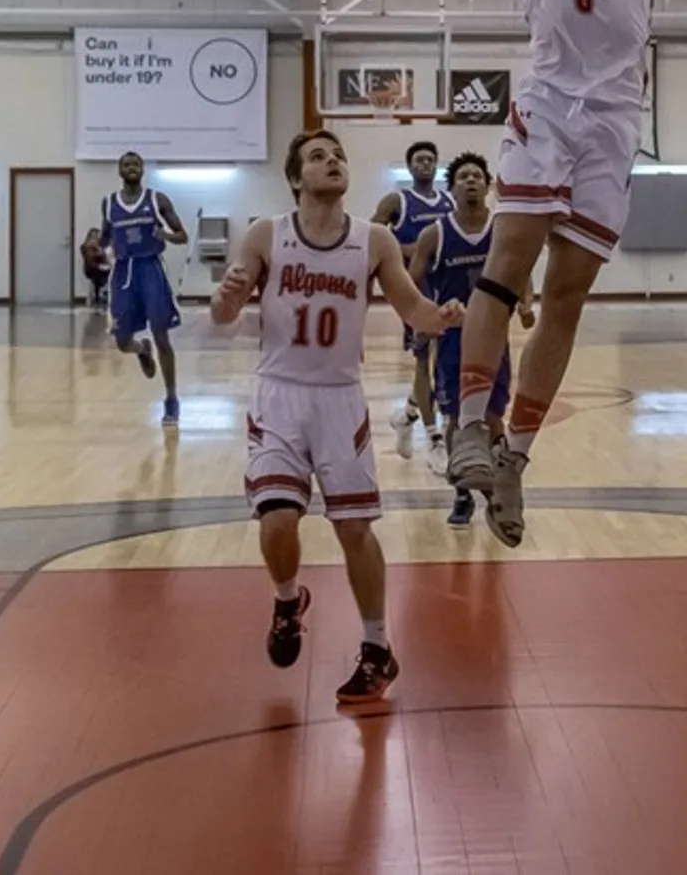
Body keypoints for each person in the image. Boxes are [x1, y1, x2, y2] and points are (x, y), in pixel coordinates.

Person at [444, 0, 661, 547]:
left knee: (566, 295)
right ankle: (472, 423)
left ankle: (516, 459)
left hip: (613, 122)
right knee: (508, 264)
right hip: (546, 104)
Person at [210, 130, 460, 703]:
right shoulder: (266, 234)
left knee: (353, 528)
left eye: (339, 155)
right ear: (295, 178)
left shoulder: (374, 240)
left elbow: (413, 309)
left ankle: (377, 647)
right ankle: (287, 600)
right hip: (279, 394)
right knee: (277, 518)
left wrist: (444, 316)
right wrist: (226, 296)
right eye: (318, 157)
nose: (333, 162)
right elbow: (225, 315)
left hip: (339, 398)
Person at [409, 152, 534, 527]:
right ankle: (461, 493)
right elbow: (412, 280)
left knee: (494, 417)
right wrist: (423, 317)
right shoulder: (435, 234)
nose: (471, 181)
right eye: (463, 177)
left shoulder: (502, 230)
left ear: (488, 185)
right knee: (456, 418)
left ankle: (496, 486)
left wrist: (526, 303)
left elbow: (521, 270)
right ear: (452, 188)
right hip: (452, 338)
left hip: (494, 336)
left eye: (477, 176)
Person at [374, 140, 454, 461]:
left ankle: (407, 416)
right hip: (414, 289)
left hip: (447, 286)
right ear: (409, 167)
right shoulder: (398, 201)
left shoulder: (449, 201)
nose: (424, 164)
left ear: (436, 165)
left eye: (430, 159)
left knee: (445, 360)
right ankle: (434, 438)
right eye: (419, 160)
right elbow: (373, 234)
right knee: (423, 359)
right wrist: (408, 250)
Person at [103, 152, 189, 423]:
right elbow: (105, 237)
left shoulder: (157, 199)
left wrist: (165, 235)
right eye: (126, 164)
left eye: (136, 164)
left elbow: (183, 236)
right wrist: (101, 248)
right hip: (123, 272)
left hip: (150, 268)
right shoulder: (109, 203)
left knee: (161, 335)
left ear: (142, 170)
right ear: (120, 170)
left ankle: (171, 399)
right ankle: (141, 349)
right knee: (121, 341)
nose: (131, 168)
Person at [80, 228, 110, 308]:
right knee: (101, 276)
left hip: (100, 267)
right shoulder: (88, 247)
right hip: (92, 269)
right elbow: (90, 262)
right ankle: (100, 295)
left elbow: (105, 259)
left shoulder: (100, 246)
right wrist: (100, 266)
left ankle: (104, 294)